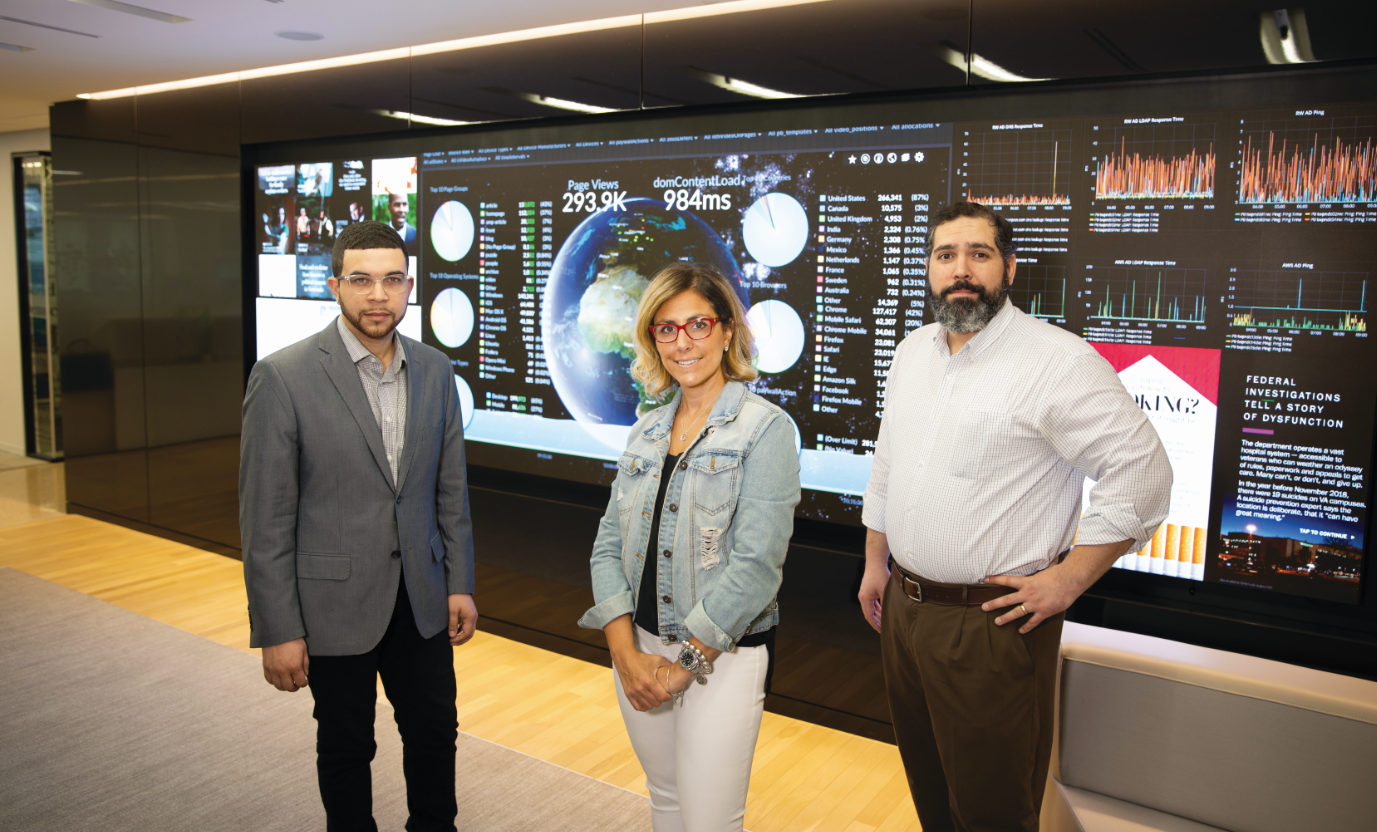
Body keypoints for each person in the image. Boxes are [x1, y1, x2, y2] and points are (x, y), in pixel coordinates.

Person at [858, 201, 1171, 832]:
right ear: (929, 269)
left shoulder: (1056, 361)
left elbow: (1143, 470)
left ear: (1010, 268)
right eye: (946, 255)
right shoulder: (913, 352)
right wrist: (874, 561)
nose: (961, 270)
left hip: (991, 627)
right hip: (905, 611)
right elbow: (889, 460)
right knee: (932, 792)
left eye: (980, 254)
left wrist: (1067, 580)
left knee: (994, 811)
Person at [241, 220, 478, 832]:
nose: (379, 295)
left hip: (421, 600)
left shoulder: (435, 370)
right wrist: (278, 627)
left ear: (410, 287)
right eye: (362, 280)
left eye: (393, 280)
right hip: (332, 604)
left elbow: (449, 489)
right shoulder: (283, 376)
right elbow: (266, 517)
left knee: (434, 733)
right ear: (334, 285)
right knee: (347, 745)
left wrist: (460, 582)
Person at [579, 262, 800, 832]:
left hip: (720, 657)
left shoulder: (765, 429)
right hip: (641, 649)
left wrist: (683, 669)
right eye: (667, 328)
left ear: (727, 330)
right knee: (667, 803)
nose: (684, 342)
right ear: (652, 338)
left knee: (709, 823)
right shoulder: (646, 429)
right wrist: (625, 655)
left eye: (698, 324)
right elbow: (607, 546)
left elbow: (756, 570)